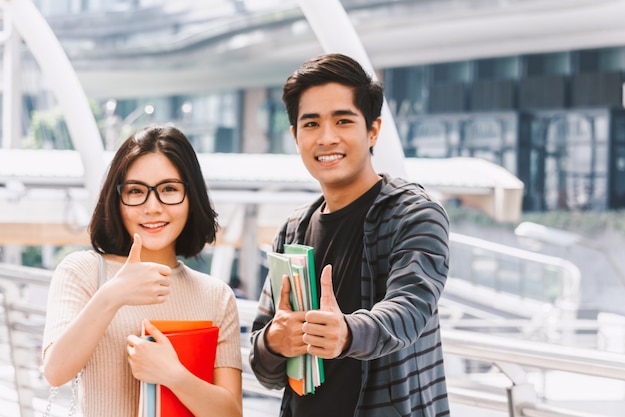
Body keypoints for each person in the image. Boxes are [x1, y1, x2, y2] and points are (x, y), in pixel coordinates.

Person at [249, 53, 450, 417]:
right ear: (295, 135)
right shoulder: (293, 229)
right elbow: (265, 367)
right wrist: (275, 343)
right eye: (311, 124)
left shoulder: (415, 215)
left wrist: (347, 333)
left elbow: (410, 309)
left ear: (372, 130)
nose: (327, 138)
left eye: (343, 120)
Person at [42, 126, 243, 417]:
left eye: (169, 189)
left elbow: (231, 412)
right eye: (136, 191)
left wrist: (174, 376)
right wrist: (112, 295)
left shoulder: (216, 295)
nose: (152, 207)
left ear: (191, 197)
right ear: (117, 198)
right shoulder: (82, 271)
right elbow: (55, 372)